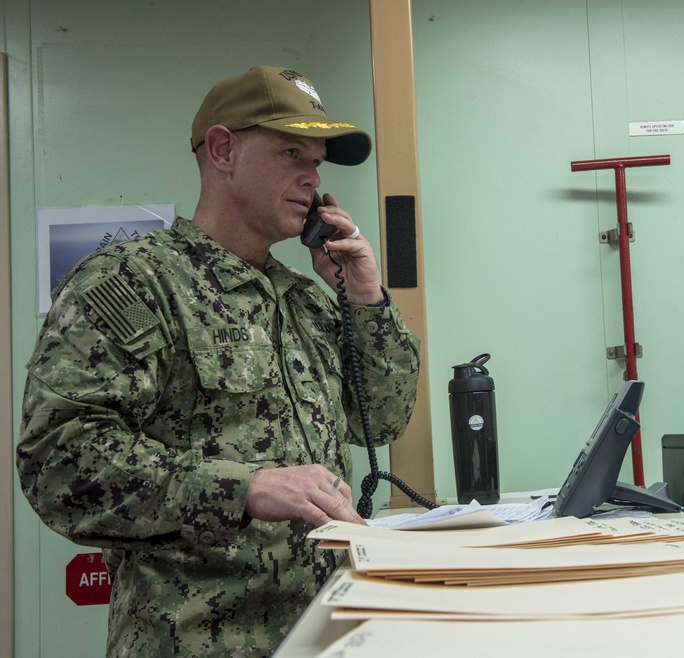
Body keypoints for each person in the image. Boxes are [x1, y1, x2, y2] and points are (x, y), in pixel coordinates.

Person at [16, 65, 420, 656]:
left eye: (317, 162)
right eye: (290, 153)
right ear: (223, 149)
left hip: (326, 635)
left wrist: (363, 297)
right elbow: (58, 464)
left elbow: (379, 420)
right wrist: (244, 487)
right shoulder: (134, 282)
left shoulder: (304, 299)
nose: (311, 177)